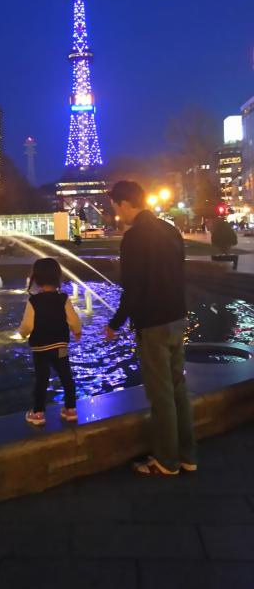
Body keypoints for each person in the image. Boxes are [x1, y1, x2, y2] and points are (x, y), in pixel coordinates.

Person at [104, 180, 197, 476]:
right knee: (178, 388)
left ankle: (167, 461)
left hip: (154, 323)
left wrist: (115, 324)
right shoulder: (170, 230)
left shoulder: (133, 239)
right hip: (176, 317)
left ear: (125, 204)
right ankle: (187, 455)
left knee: (161, 394)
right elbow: (181, 272)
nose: (116, 214)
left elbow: (133, 289)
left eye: (115, 207)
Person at [19, 257, 81, 426]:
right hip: (60, 346)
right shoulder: (63, 299)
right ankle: (70, 410)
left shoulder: (33, 301)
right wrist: (77, 331)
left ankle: (38, 413)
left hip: (40, 348)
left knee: (41, 379)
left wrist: (22, 334)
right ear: (58, 277)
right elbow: (73, 319)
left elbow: (27, 325)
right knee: (66, 377)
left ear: (36, 279)